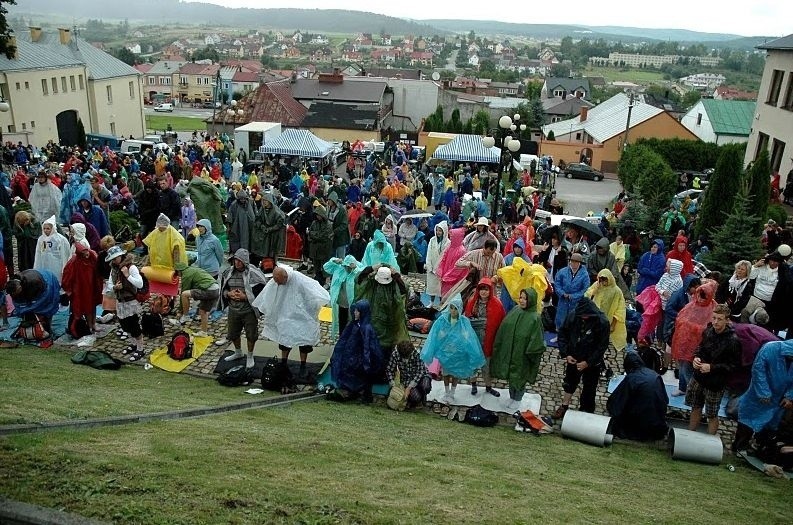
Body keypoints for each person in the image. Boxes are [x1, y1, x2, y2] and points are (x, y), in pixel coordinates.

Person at [253, 265, 330, 377]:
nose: (278, 284)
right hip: (285, 314)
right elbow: (267, 294)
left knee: (304, 341)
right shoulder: (276, 281)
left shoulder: (300, 280)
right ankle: (284, 362)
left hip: (303, 316)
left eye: (279, 282)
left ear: (285, 277)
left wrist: (309, 309)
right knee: (285, 339)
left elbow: (315, 292)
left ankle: (303, 365)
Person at [686, 304, 741, 435]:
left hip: (715, 383)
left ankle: (710, 442)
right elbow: (700, 347)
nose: (715, 322)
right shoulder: (709, 330)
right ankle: (690, 435)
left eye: (719, 319)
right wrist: (696, 358)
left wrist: (712, 367)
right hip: (699, 377)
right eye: (714, 318)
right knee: (695, 407)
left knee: (711, 414)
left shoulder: (733, 341)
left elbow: (733, 366)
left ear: (727, 320)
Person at [420, 295, 486, 404]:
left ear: (459, 309)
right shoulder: (442, 320)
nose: (453, 311)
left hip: (458, 354)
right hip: (445, 353)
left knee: (456, 373)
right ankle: (447, 392)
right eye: (451, 308)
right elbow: (434, 334)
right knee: (446, 373)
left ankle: (452, 392)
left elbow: (469, 337)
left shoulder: (464, 321)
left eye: (456, 308)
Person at [553, 297, 610, 419]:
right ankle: (564, 405)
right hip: (574, 355)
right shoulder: (574, 316)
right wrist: (566, 353)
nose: (583, 318)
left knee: (590, 387)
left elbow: (602, 347)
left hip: (592, 361)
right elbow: (562, 333)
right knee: (569, 382)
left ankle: (586, 410)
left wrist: (588, 362)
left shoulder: (602, 322)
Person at [491, 288, 546, 410]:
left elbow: (537, 339)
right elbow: (505, 327)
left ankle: (518, 398)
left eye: (525, 298)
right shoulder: (516, 310)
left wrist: (530, 351)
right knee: (512, 375)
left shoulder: (535, 318)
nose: (522, 300)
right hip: (512, 349)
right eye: (521, 297)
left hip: (523, 353)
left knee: (520, 376)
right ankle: (512, 396)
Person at [734, 340, 793, 453]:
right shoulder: (770, 348)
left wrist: (789, 396)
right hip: (757, 396)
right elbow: (758, 370)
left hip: (779, 399)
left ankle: (760, 449)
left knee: (770, 425)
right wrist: (763, 392)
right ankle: (739, 447)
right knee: (748, 420)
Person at [218, 249, 267, 368]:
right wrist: (229, 294)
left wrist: (246, 296)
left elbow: (262, 290)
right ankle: (238, 352)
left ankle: (250, 355)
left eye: (240, 261)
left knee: (251, 335)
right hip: (233, 309)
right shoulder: (228, 272)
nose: (237, 263)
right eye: (236, 260)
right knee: (233, 333)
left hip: (248, 310)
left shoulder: (254, 273)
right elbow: (223, 289)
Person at [329, 300, 384, 402]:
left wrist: (366, 363)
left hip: (359, 360)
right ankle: (350, 391)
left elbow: (368, 347)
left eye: (357, 311)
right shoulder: (354, 324)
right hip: (350, 357)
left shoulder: (366, 328)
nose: (355, 312)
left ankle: (359, 392)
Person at [607, 351, 670, 441]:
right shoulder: (654, 374)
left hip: (641, 425)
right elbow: (665, 399)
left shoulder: (632, 378)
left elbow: (618, 401)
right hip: (658, 424)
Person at [670, 279, 715, 396]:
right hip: (683, 341)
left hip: (697, 345)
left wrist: (692, 327)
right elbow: (680, 318)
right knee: (681, 365)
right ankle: (682, 388)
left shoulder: (712, 308)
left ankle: (693, 391)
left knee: (687, 368)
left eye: (704, 295)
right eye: (700, 294)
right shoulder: (691, 305)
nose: (700, 298)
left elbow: (710, 328)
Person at [464, 277, 506, 397]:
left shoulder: (497, 305)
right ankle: (473, 384)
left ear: (490, 290)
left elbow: (501, 322)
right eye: (481, 289)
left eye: (486, 289)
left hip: (488, 340)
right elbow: (467, 319)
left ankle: (488, 386)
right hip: (474, 339)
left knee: (486, 366)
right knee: (473, 364)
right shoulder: (472, 302)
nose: (483, 292)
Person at [356, 265, 409, 355]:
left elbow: (359, 278)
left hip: (373, 324)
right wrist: (396, 275)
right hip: (389, 326)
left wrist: (371, 268)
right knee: (385, 353)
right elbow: (404, 290)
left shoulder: (371, 284)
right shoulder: (394, 288)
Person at [106, 246, 146, 361]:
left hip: (131, 302)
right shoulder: (113, 269)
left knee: (134, 326)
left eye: (115, 258)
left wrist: (128, 276)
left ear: (121, 256)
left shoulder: (131, 267)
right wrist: (115, 287)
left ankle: (140, 348)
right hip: (120, 302)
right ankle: (133, 344)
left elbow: (140, 284)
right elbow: (109, 284)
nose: (113, 261)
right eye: (112, 259)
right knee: (124, 325)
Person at [5, 268, 61, 340]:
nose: (14, 295)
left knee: (46, 308)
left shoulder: (35, 282)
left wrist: (33, 309)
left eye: (16, 293)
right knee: (27, 310)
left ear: (19, 287)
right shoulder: (13, 285)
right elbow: (19, 303)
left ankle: (47, 327)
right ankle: (30, 326)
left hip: (47, 284)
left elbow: (42, 299)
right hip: (31, 287)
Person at [62, 243, 102, 334]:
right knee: (86, 307)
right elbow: (67, 276)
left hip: (92, 286)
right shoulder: (74, 261)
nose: (86, 255)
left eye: (87, 253)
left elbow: (99, 268)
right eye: (84, 254)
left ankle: (93, 324)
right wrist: (69, 289)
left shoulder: (92, 256)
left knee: (93, 305)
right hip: (80, 288)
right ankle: (89, 325)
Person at [585, 269, 627, 352]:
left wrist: (613, 324)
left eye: (604, 280)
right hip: (594, 317)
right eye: (601, 280)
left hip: (607, 319)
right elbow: (586, 295)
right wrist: (595, 290)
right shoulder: (597, 285)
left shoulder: (616, 291)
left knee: (602, 341)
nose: (603, 282)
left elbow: (620, 309)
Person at [323, 255, 363, 338]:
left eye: (349, 267)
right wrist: (334, 260)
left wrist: (355, 268)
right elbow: (326, 267)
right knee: (342, 323)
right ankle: (342, 339)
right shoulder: (339, 269)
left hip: (352, 304)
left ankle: (351, 340)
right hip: (341, 303)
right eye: (346, 267)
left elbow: (363, 273)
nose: (347, 269)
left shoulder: (357, 271)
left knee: (352, 323)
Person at [175, 261, 219, 337]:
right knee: (203, 311)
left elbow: (184, 292)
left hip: (208, 290)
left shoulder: (186, 275)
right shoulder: (192, 269)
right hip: (216, 289)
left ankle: (185, 316)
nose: (177, 275)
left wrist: (180, 311)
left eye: (176, 273)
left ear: (179, 271)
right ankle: (203, 332)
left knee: (184, 294)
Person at [386, 340, 433, 408]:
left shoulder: (417, 353)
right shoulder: (395, 354)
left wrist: (409, 387)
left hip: (422, 375)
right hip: (407, 380)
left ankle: (423, 396)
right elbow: (389, 370)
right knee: (415, 397)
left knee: (425, 386)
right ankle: (417, 400)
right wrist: (393, 384)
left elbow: (421, 371)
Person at [554, 252, 591, 331]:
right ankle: (559, 336)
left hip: (576, 302)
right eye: (572, 261)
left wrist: (573, 296)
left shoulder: (585, 275)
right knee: (561, 318)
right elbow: (557, 283)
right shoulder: (562, 271)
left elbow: (585, 289)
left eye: (576, 262)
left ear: (579, 263)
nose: (573, 263)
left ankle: (572, 338)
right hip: (563, 299)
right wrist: (562, 293)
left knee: (574, 320)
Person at [33, 215, 70, 284]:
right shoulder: (41, 239)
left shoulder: (60, 239)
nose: (46, 230)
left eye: (48, 228)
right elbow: (38, 253)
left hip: (57, 264)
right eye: (44, 228)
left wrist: (64, 268)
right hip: (44, 263)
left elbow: (64, 254)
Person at [425, 221, 450, 305]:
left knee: (440, 288)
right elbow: (428, 253)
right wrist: (429, 266)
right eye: (437, 230)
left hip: (441, 269)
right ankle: (431, 302)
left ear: (444, 231)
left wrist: (440, 269)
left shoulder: (448, 243)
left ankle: (441, 303)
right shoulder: (432, 240)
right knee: (432, 286)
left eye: (440, 230)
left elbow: (446, 257)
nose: (438, 232)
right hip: (431, 267)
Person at [307, 205, 334, 284]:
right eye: (317, 215)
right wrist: (313, 235)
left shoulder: (328, 224)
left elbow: (322, 236)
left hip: (324, 249)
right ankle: (318, 280)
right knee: (316, 266)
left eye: (319, 215)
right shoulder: (314, 223)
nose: (318, 217)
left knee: (326, 266)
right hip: (315, 249)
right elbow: (311, 234)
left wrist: (312, 234)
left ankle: (327, 282)